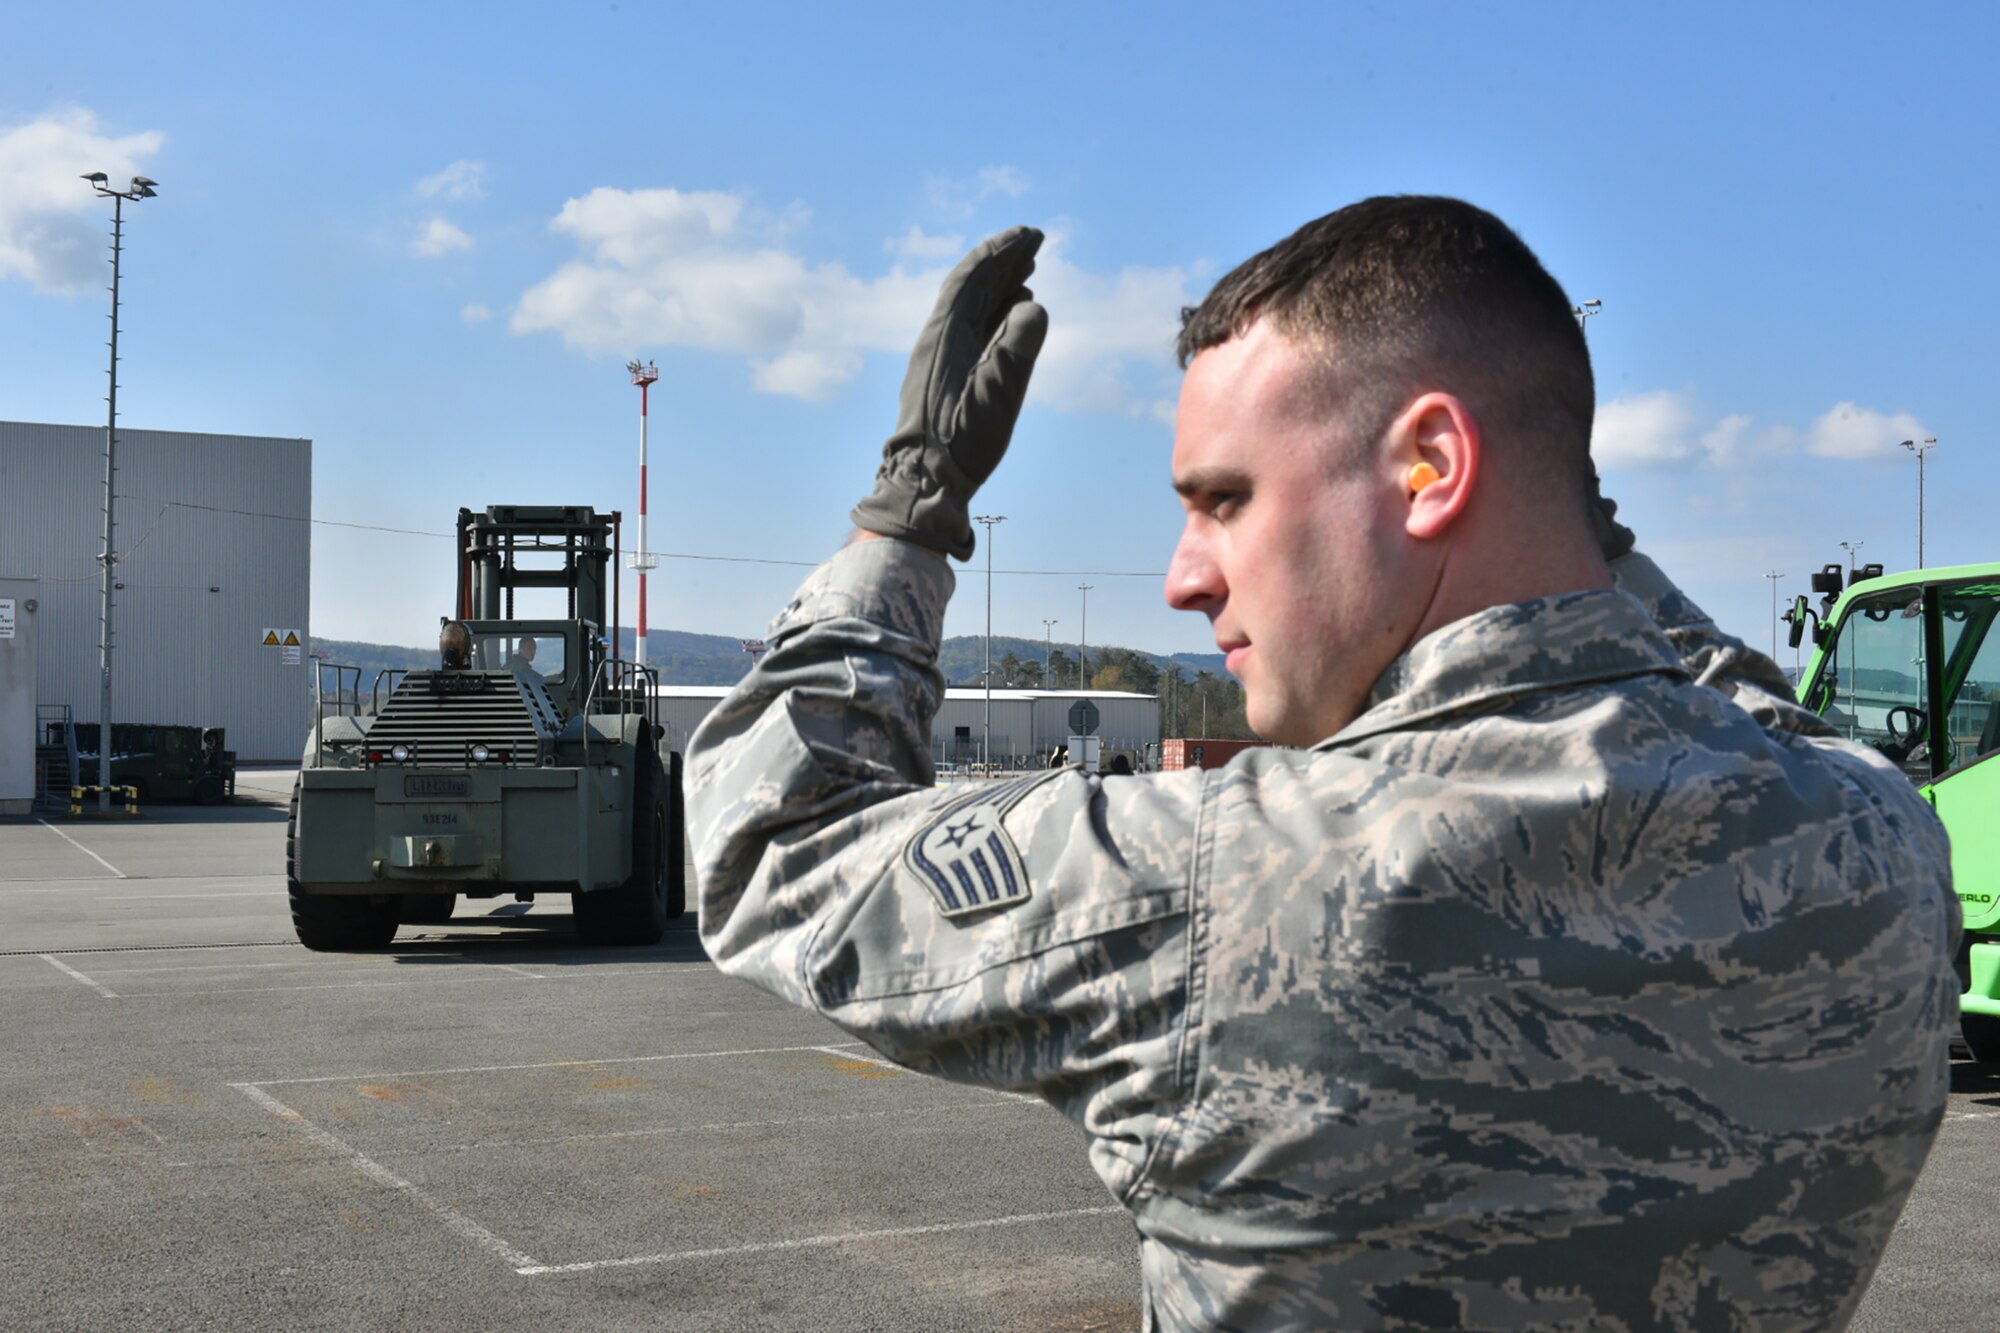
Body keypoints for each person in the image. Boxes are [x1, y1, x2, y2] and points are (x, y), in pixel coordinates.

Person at [686, 201, 1957, 1331]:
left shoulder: (1215, 885)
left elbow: (772, 845)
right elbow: (1761, 705)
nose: (1184, 575)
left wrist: (910, 509)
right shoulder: (1877, 848)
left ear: (1431, 466)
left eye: (1224, 498)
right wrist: (1563, 515)